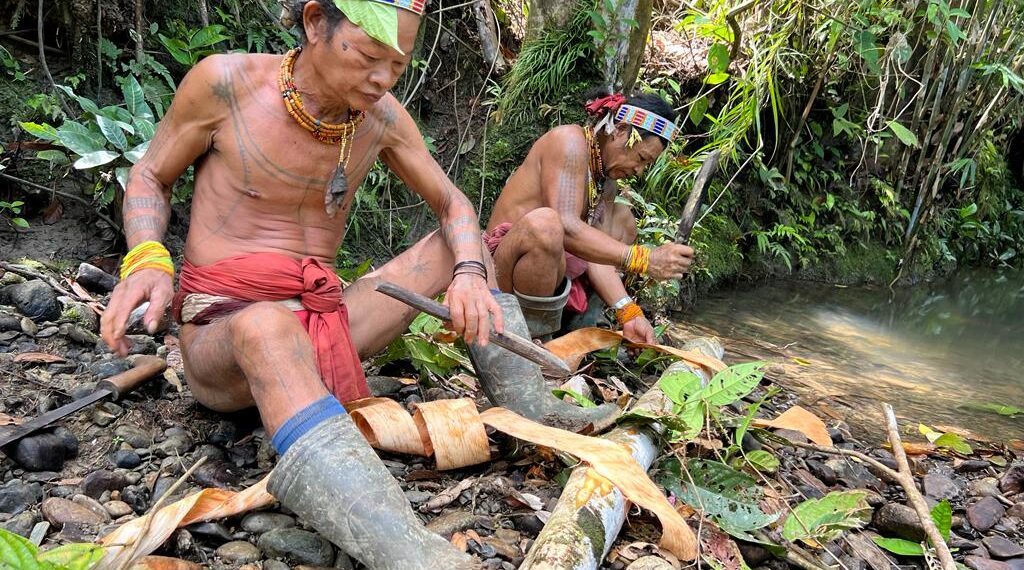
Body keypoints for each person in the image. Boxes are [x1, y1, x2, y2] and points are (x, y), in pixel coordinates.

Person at [97, 1, 614, 568]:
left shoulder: (382, 119)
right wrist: (147, 259)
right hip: (229, 337)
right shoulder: (226, 84)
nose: (382, 79)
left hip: (326, 321)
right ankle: (408, 550)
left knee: (459, 244)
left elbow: (453, 204)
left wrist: (468, 272)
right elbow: (150, 173)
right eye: (368, 57)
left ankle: (533, 408)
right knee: (267, 325)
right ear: (317, 23)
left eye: (398, 65)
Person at [485, 91, 694, 343]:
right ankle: (528, 341)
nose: (639, 170)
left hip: (547, 276)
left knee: (622, 220)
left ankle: (571, 331)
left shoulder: (604, 179)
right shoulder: (569, 142)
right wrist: (644, 259)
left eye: (646, 165)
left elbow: (596, 255)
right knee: (546, 227)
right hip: (496, 276)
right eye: (641, 158)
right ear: (620, 129)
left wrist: (628, 312)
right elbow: (568, 227)